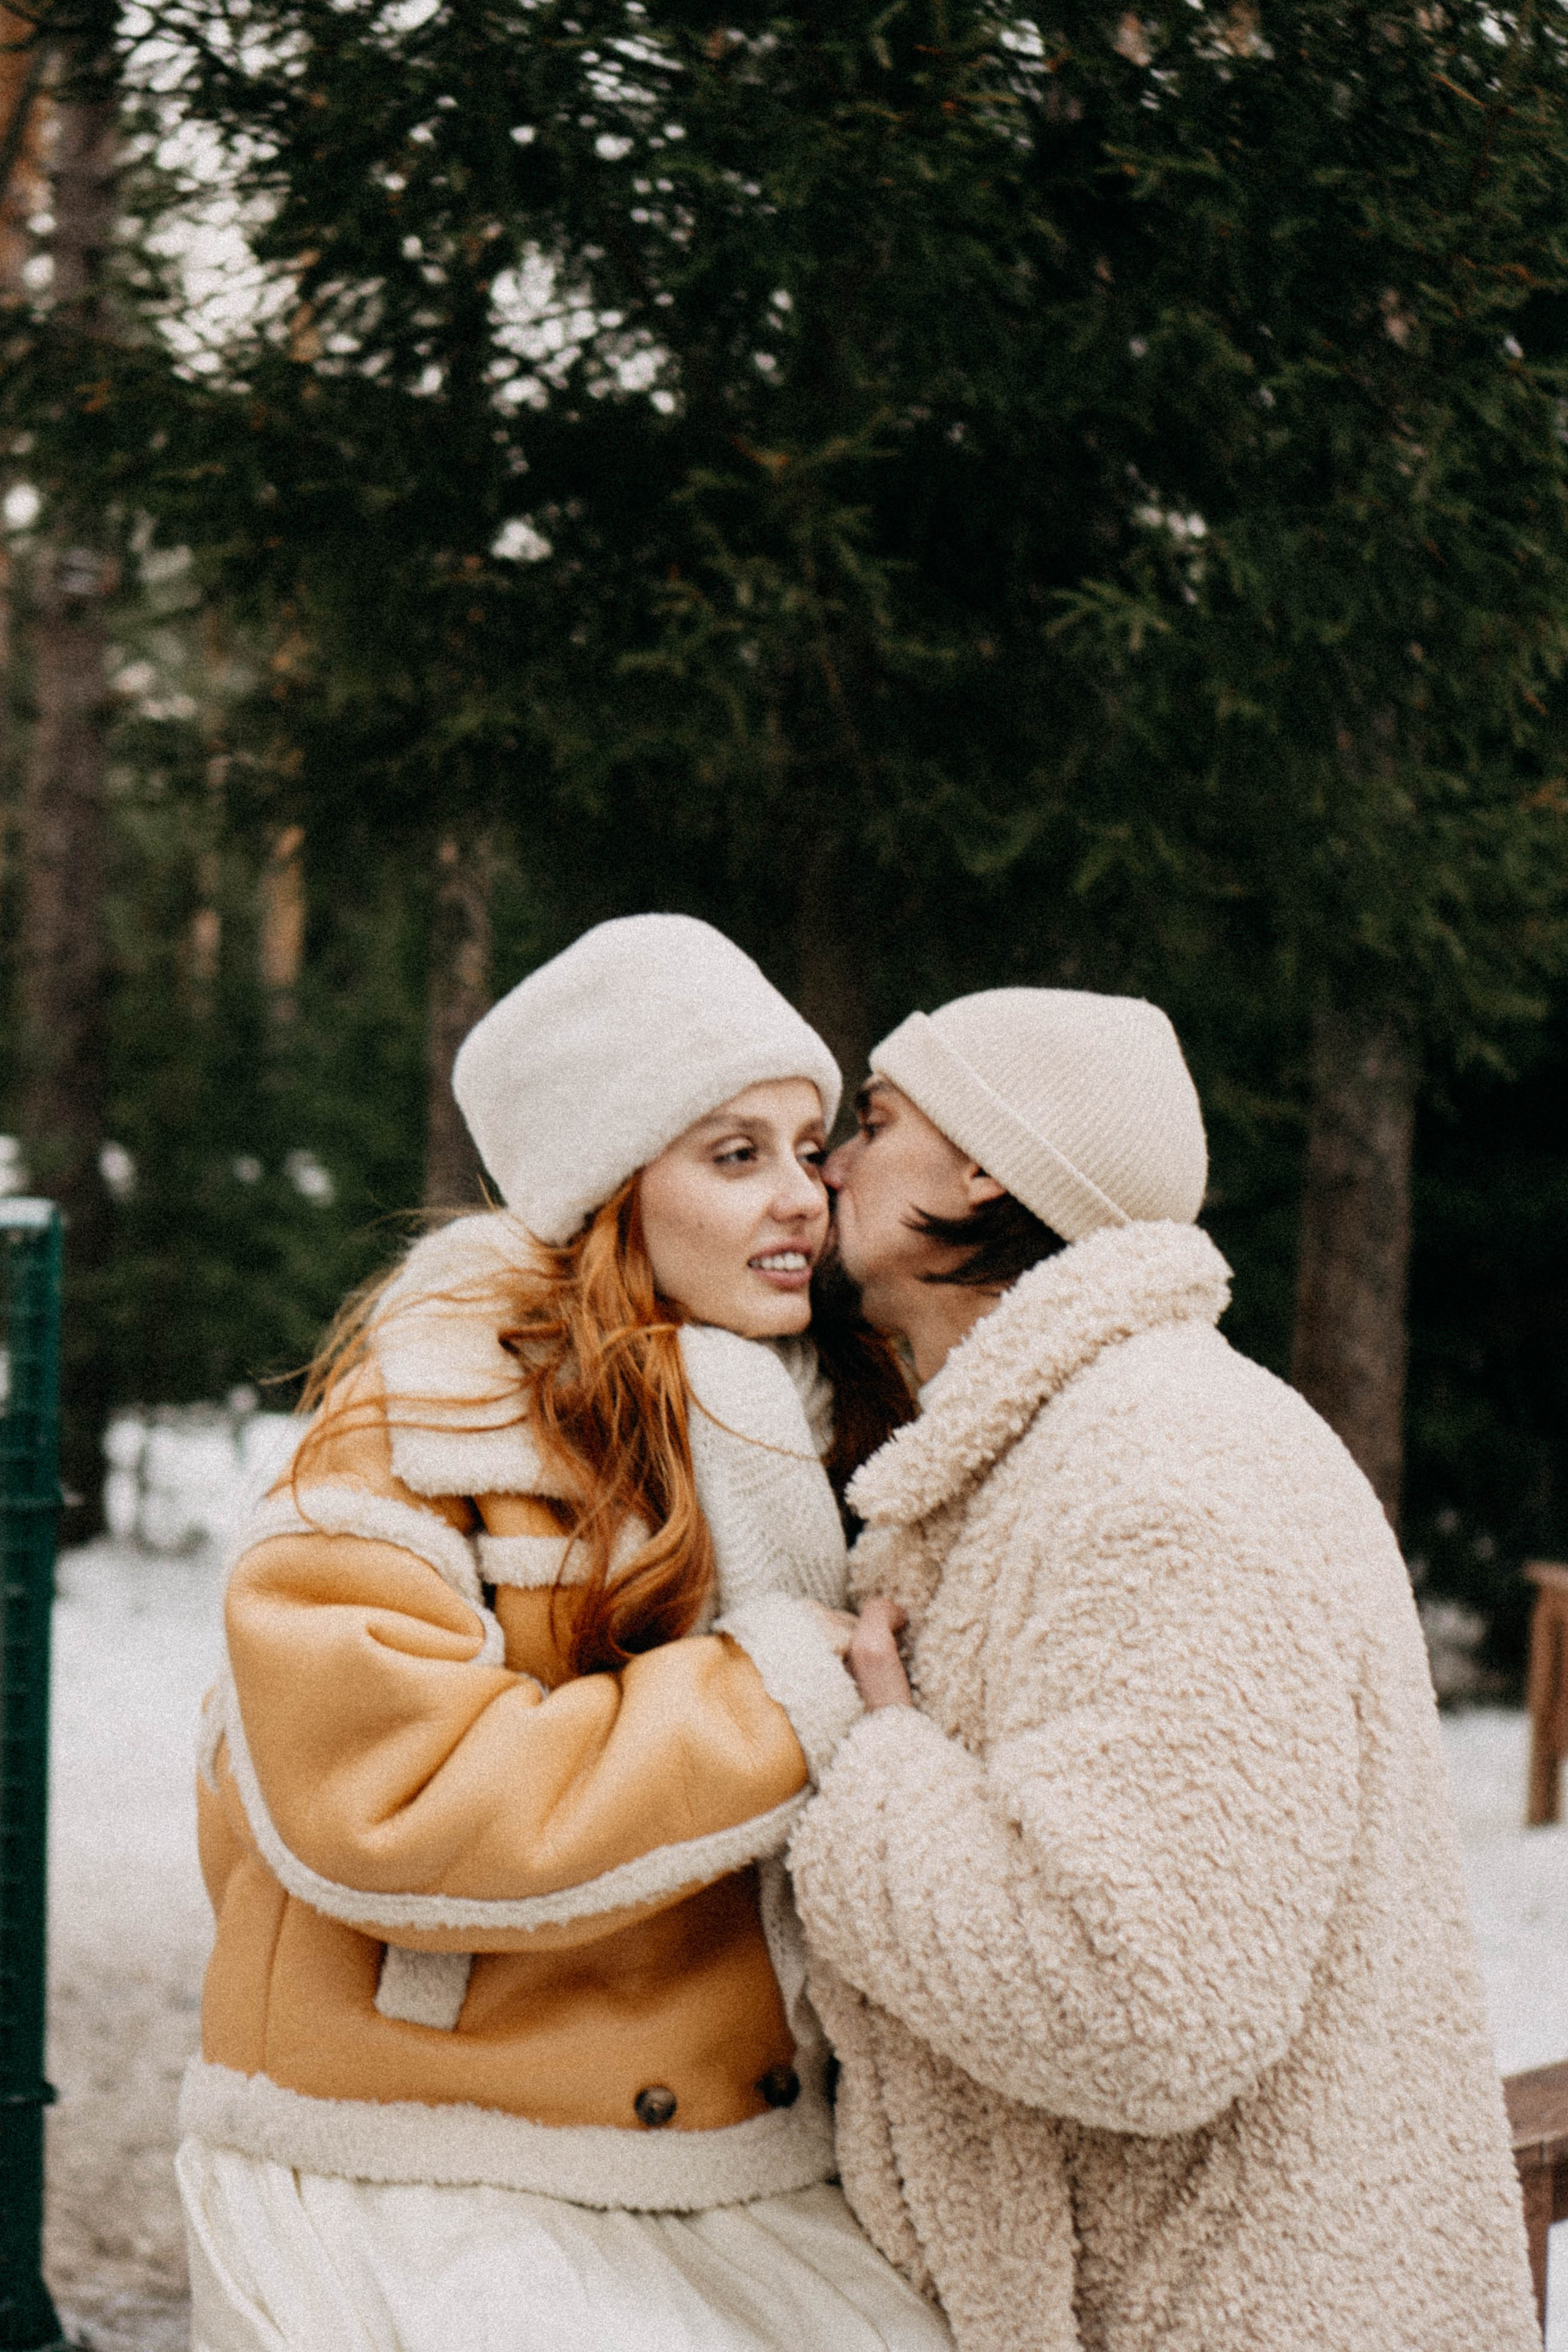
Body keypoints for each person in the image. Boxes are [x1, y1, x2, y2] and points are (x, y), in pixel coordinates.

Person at [176, 913, 951, 2352]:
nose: (800, 1196)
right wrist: (779, 1693)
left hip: (734, 2145)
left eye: (805, 1146)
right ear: (608, 1188)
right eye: (734, 1155)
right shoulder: (420, 1419)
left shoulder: (824, 1425)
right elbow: (382, 1794)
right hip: (419, 2148)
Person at [788, 987, 1539, 2352]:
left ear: (984, 1164)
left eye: (876, 1119)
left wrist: (875, 1772)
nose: (829, 1161)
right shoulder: (1063, 1446)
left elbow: (1144, 2007)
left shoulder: (1166, 1465)